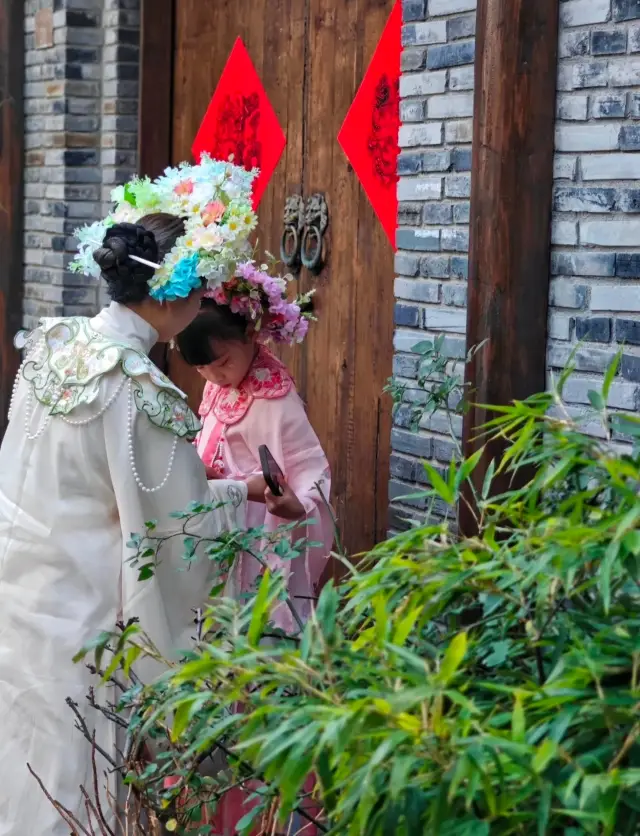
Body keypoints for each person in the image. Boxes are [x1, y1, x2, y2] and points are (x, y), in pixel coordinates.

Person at [0, 151, 264, 835]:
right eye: (204, 288)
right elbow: (173, 539)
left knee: (20, 765)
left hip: (20, 599)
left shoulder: (52, 348)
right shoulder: (141, 395)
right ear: (178, 296)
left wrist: (237, 489)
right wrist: (245, 499)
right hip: (86, 625)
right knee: (72, 789)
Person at [177, 297, 334, 633]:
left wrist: (298, 504)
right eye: (202, 369)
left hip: (253, 523)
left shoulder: (273, 397)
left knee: (250, 618)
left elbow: (308, 467)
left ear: (250, 332)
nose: (214, 376)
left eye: (221, 363)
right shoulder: (222, 381)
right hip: (218, 515)